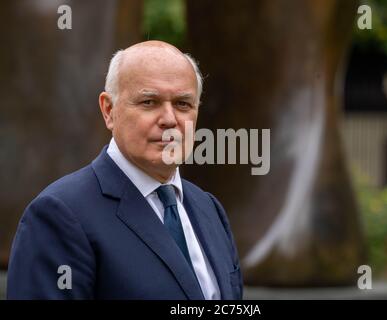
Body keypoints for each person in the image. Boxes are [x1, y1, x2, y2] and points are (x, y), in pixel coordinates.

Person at [7, 41, 243, 300]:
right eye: (149, 102)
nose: (169, 119)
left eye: (183, 104)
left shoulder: (209, 209)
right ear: (109, 110)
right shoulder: (59, 215)